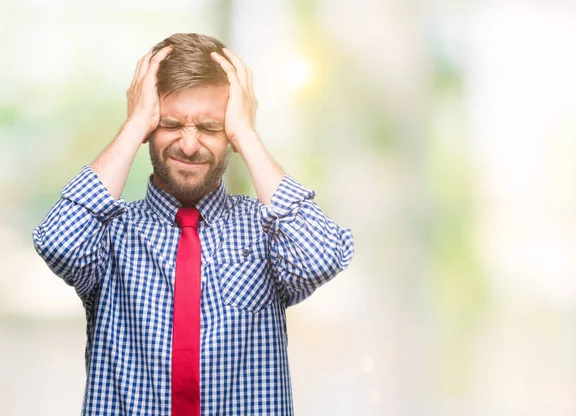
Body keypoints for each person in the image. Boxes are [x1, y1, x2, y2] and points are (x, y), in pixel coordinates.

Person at [32, 33, 354, 415]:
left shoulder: (266, 230)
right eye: (170, 123)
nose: (188, 144)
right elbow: (57, 241)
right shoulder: (110, 234)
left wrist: (246, 134)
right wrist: (134, 123)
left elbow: (320, 258)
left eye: (210, 127)